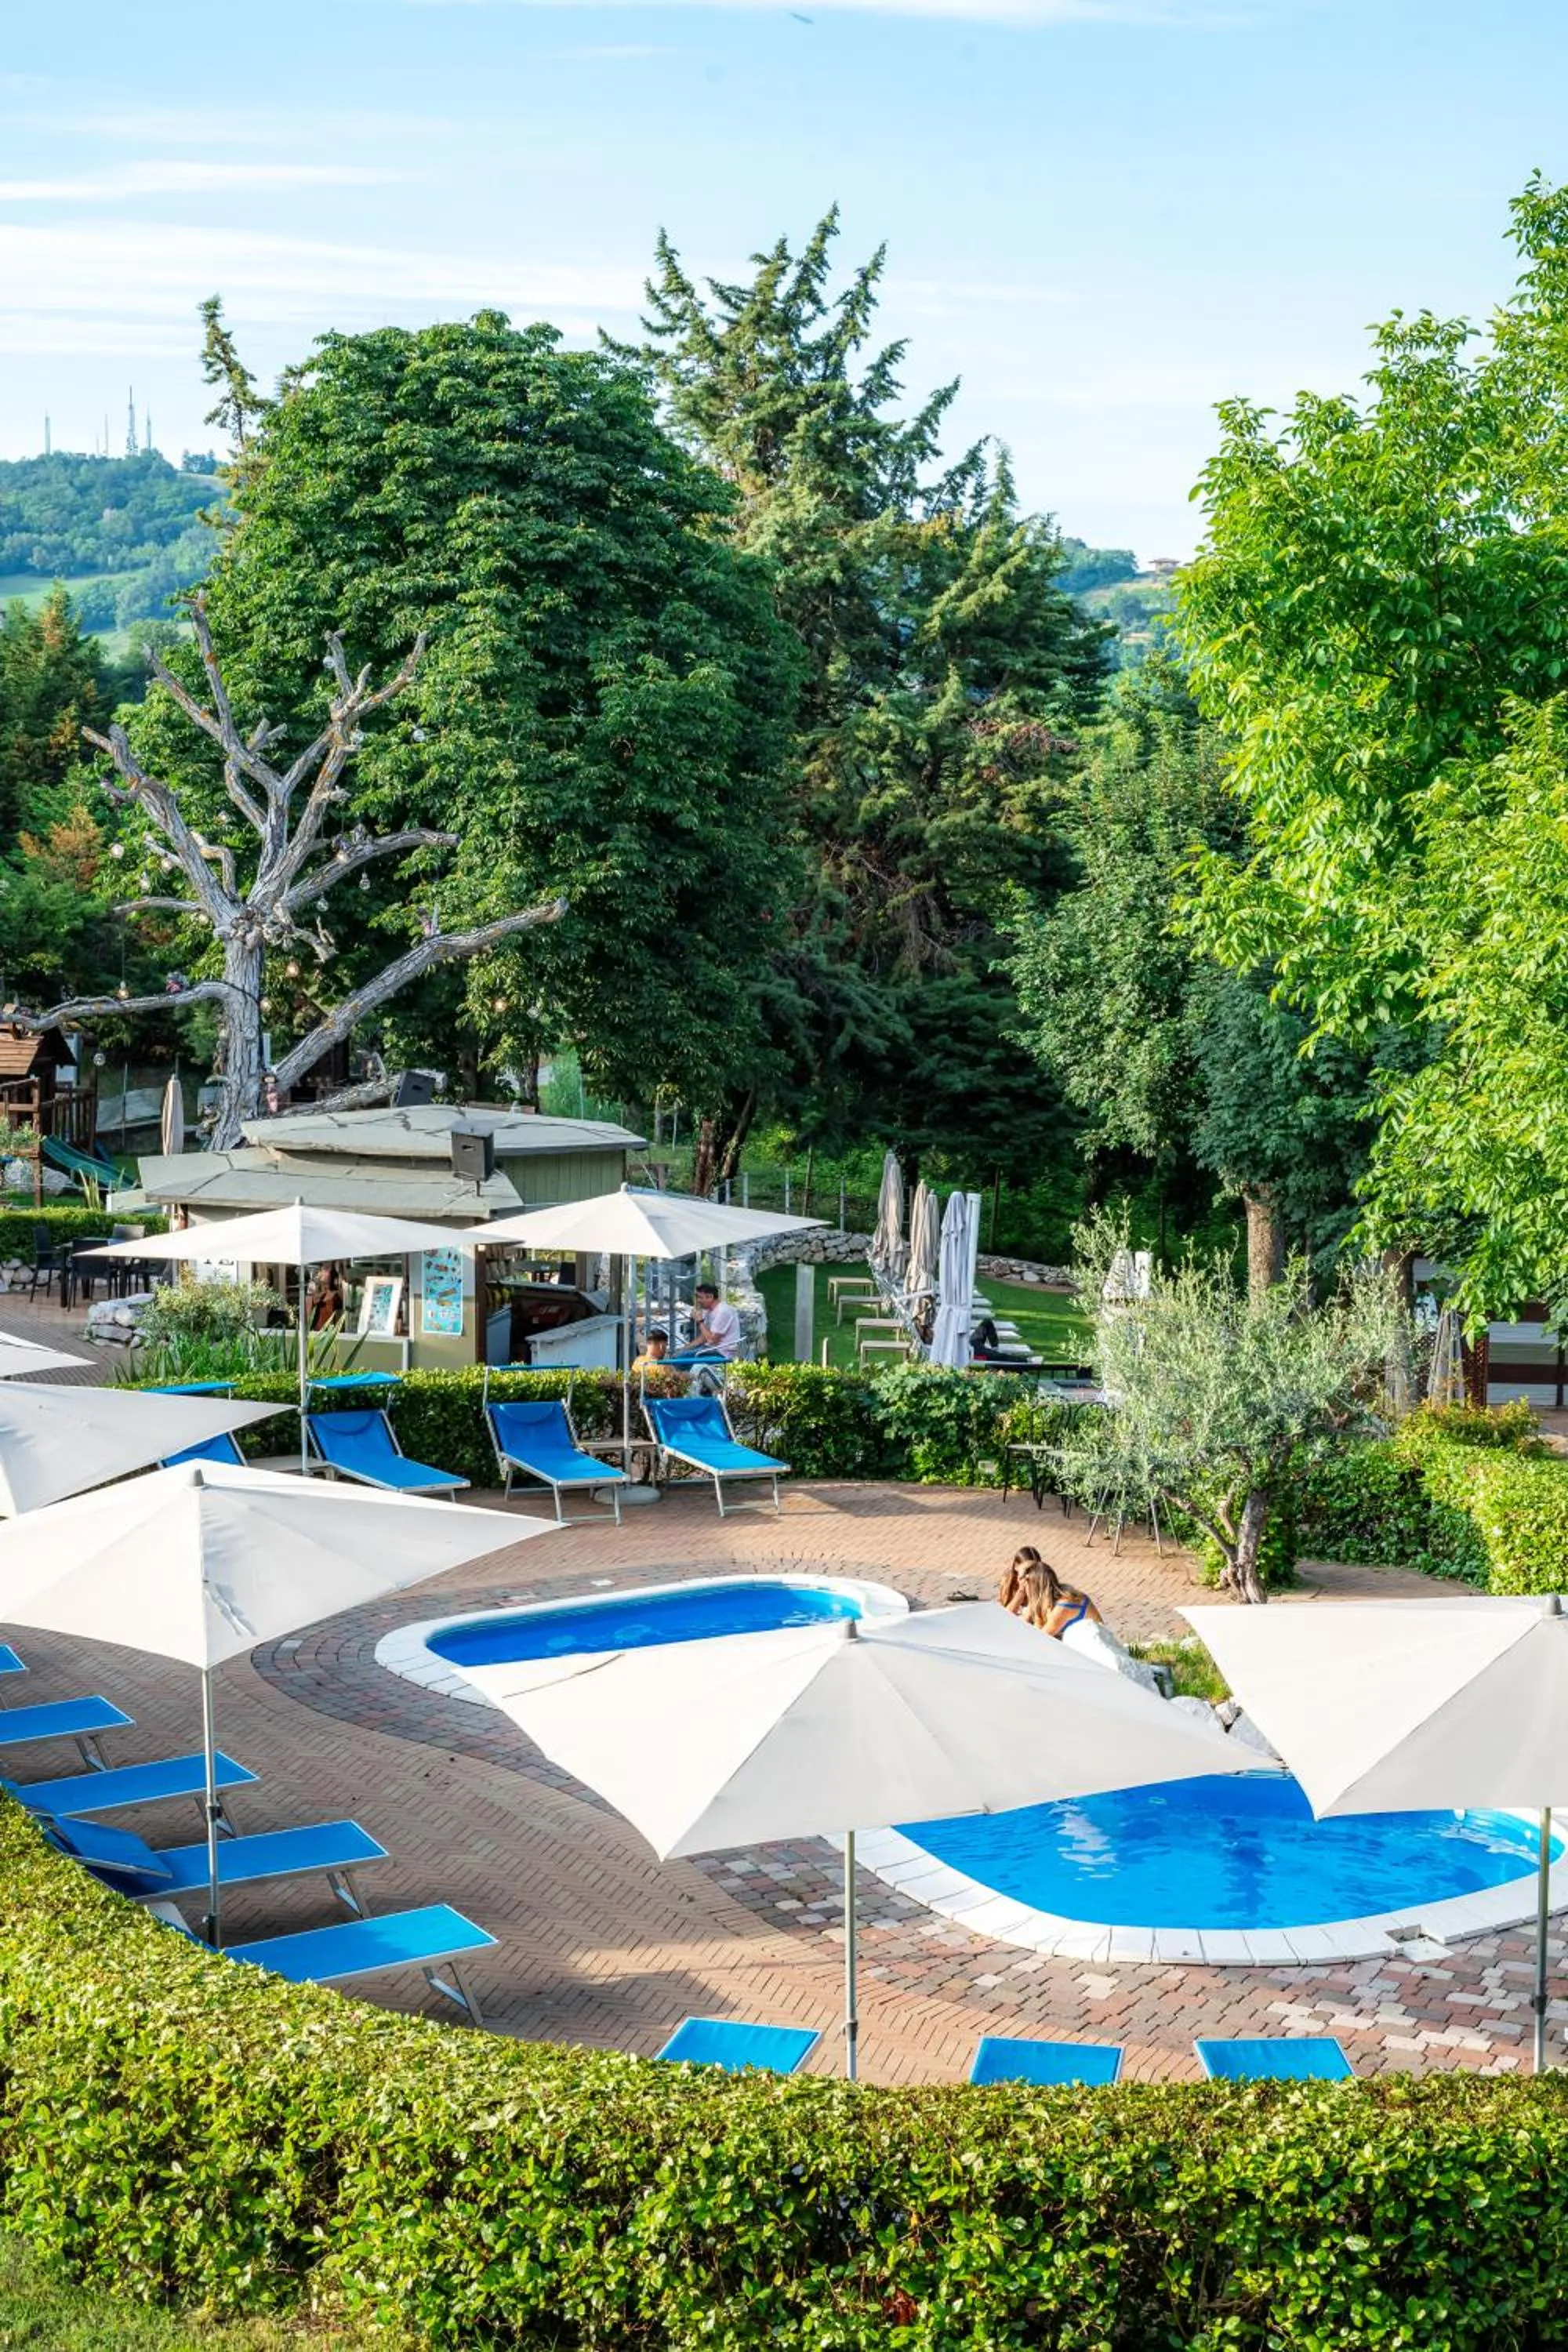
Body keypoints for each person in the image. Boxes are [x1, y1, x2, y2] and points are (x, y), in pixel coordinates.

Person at [998, 1545, 1102, 1641]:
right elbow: (1010, 1619)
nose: (1023, 1582)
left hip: (1097, 1653)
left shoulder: (1063, 1606)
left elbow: (1040, 1640)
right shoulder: (1054, 1597)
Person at [691, 1281, 740, 1360]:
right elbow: (704, 1337)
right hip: (711, 1349)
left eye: (700, 1297)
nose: (698, 1301)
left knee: (681, 1359)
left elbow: (711, 1340)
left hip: (722, 1353)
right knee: (681, 1354)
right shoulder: (709, 1311)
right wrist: (684, 1348)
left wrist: (700, 1321)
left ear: (710, 1297)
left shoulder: (723, 1311)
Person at [304, 1261, 345, 1332]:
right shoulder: (315, 1294)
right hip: (315, 1336)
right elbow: (307, 1321)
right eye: (321, 1269)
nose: (321, 1273)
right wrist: (311, 1296)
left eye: (326, 1269)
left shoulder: (336, 1296)